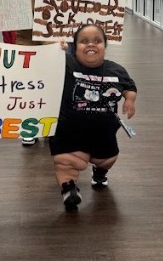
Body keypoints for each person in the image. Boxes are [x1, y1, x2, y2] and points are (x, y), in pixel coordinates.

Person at [49, 24, 137, 212]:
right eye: (84, 41)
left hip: (103, 134)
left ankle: (100, 171)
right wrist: (55, 50)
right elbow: (42, 64)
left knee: (108, 159)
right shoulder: (66, 64)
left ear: (105, 46)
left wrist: (129, 100)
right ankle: (69, 189)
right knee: (66, 162)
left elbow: (129, 86)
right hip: (69, 132)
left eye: (97, 41)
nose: (91, 45)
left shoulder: (117, 70)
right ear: (74, 46)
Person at [0, 0, 51, 146]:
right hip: (24, 43)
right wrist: (2, 1)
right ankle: (29, 128)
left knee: (49, 86)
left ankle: (49, 127)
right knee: (28, 87)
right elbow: (6, 21)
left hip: (49, 42)